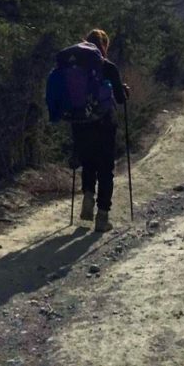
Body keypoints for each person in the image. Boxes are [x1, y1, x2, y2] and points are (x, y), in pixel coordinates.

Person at [63, 29, 129, 233]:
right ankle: (102, 217)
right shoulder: (108, 67)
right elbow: (119, 98)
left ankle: (88, 196)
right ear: (104, 46)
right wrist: (124, 91)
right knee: (106, 169)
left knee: (88, 163)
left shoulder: (74, 67)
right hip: (105, 124)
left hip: (81, 124)